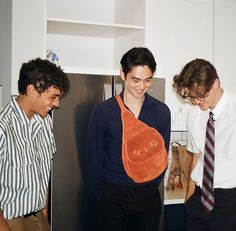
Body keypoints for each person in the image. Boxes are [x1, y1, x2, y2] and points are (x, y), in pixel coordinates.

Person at [87, 47, 171, 231]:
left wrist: (148, 185)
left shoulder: (161, 112)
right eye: (136, 80)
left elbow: (162, 157)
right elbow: (94, 160)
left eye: (147, 80)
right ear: (122, 74)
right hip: (113, 196)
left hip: (148, 197)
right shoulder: (103, 112)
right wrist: (103, 197)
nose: (141, 86)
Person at [0, 58, 70, 231]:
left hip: (39, 219)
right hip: (10, 223)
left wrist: (44, 220)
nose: (57, 104)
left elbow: (42, 178)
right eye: (53, 97)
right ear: (31, 90)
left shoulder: (44, 122)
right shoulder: (3, 128)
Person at [173, 58, 236, 231]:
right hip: (198, 199)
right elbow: (196, 157)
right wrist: (188, 199)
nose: (196, 102)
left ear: (216, 83)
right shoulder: (194, 115)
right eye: (192, 97)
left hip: (229, 202)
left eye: (202, 96)